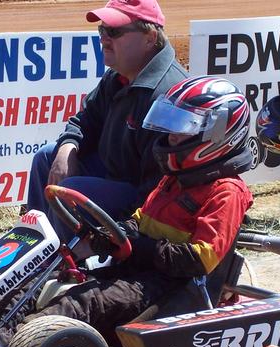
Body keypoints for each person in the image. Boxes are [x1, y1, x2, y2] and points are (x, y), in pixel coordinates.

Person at [0, 76, 255, 347]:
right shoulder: (173, 180)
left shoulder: (226, 190)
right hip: (139, 275)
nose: (171, 138)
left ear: (217, 134)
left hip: (173, 289)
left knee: (85, 300)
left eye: (182, 130)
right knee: (50, 282)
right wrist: (113, 236)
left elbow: (200, 260)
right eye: (172, 129)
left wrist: (137, 248)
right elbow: (138, 222)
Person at [27, 0, 188, 240]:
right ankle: (36, 248)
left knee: (69, 191)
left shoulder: (166, 94)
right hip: (116, 174)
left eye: (114, 31)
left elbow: (160, 188)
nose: (103, 39)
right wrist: (67, 148)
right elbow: (85, 119)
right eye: (102, 30)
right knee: (47, 158)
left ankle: (68, 264)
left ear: (149, 37)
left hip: (146, 199)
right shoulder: (119, 75)